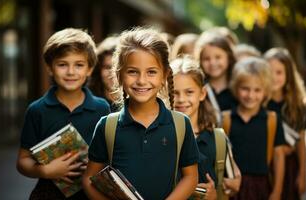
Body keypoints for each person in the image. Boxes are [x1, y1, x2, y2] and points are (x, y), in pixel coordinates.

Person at [82, 27, 199, 200]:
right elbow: (87, 179)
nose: (141, 81)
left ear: (164, 75)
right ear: (119, 75)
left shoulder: (180, 124)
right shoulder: (108, 126)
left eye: (151, 72)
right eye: (132, 72)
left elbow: (191, 177)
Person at [16, 28, 111, 200]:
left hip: (91, 193)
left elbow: (111, 154)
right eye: (62, 64)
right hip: (48, 193)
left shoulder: (102, 108)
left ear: (90, 69)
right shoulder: (37, 110)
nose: (71, 72)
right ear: (50, 68)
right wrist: (44, 170)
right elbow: (22, 161)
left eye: (79, 65)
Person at [171, 56, 241, 200]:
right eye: (174, 93)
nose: (181, 99)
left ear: (202, 94)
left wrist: (214, 193)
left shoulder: (218, 139)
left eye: (189, 92)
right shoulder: (159, 136)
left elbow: (231, 186)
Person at [225, 57, 286, 200]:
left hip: (262, 187)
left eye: (257, 90)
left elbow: (279, 156)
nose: (251, 95)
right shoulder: (226, 119)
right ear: (235, 87)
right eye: (245, 89)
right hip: (232, 187)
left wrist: (277, 191)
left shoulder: (272, 120)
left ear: (265, 91)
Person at [264, 48, 306, 200]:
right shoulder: (259, 102)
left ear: (288, 75)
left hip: (290, 167)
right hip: (264, 164)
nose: (273, 77)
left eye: (279, 72)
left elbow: (301, 143)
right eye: (269, 72)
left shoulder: (297, 106)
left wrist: (303, 175)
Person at [194, 32, 238, 112]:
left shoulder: (238, 86)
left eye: (218, 57)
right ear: (199, 61)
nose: (212, 63)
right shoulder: (198, 88)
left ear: (229, 57)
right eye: (206, 59)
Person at [88, 35, 119, 111]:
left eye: (118, 67)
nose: (113, 73)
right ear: (98, 69)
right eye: (108, 67)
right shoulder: (87, 100)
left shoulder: (138, 103)